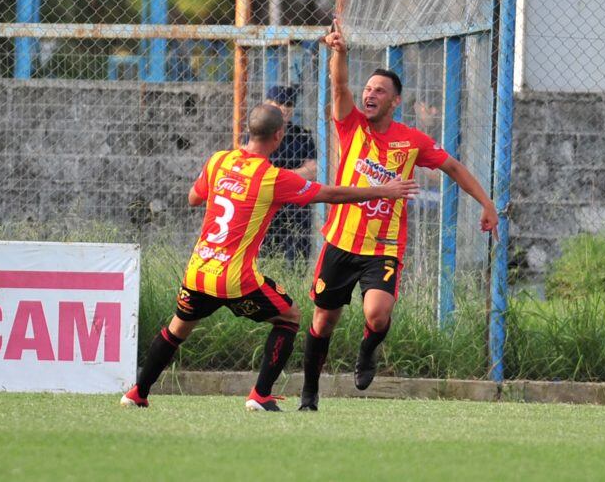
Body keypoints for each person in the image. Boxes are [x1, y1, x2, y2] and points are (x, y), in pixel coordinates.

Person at [120, 104, 419, 412]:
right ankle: (261, 394)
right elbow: (331, 194)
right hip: (235, 279)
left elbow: (194, 198)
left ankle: (138, 393)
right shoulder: (272, 178)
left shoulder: (219, 160)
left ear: (248, 131)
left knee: (177, 329)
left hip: (199, 270)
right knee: (290, 316)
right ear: (279, 136)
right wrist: (384, 190)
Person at [298, 20, 499, 411]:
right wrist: (338, 52)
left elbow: (453, 167)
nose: (370, 94)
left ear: (395, 102)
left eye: (380, 91)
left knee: (377, 314)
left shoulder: (412, 141)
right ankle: (309, 392)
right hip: (340, 242)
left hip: (384, 247)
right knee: (323, 322)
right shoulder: (350, 125)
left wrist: (486, 203)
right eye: (368, 89)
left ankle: (367, 351)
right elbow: (339, 87)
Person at [264, 85, 317, 263]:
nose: (285, 108)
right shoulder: (259, 134)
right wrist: (295, 175)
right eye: (279, 102)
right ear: (267, 104)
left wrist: (276, 177)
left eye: (289, 103)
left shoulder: (302, 135)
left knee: (296, 260)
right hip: (267, 205)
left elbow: (312, 171)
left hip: (296, 206)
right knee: (264, 258)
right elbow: (255, 170)